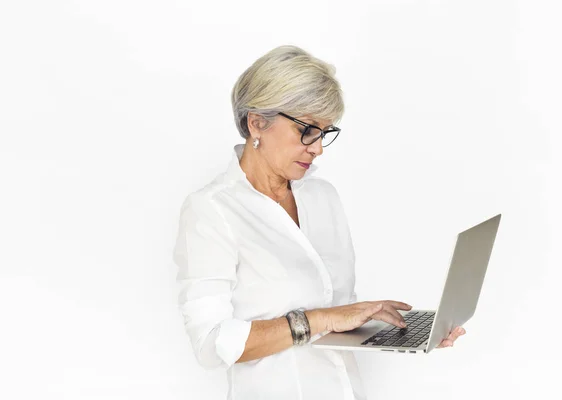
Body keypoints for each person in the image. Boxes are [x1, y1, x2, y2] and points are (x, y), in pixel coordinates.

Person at [172, 45, 466, 400]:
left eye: (325, 132)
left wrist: (404, 330)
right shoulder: (212, 210)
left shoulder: (322, 196)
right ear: (256, 122)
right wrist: (322, 319)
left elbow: (337, 315)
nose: (318, 148)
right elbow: (210, 343)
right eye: (307, 130)